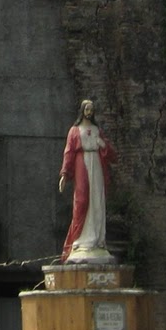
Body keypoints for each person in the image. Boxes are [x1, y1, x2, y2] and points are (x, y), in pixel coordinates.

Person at [58, 99, 115, 262]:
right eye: (87, 109)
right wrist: (64, 174)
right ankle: (80, 241)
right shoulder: (75, 131)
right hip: (81, 165)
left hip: (96, 165)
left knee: (97, 200)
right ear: (82, 110)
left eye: (92, 110)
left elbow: (112, 155)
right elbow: (69, 153)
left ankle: (97, 240)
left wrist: (102, 144)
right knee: (82, 201)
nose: (89, 112)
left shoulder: (97, 130)